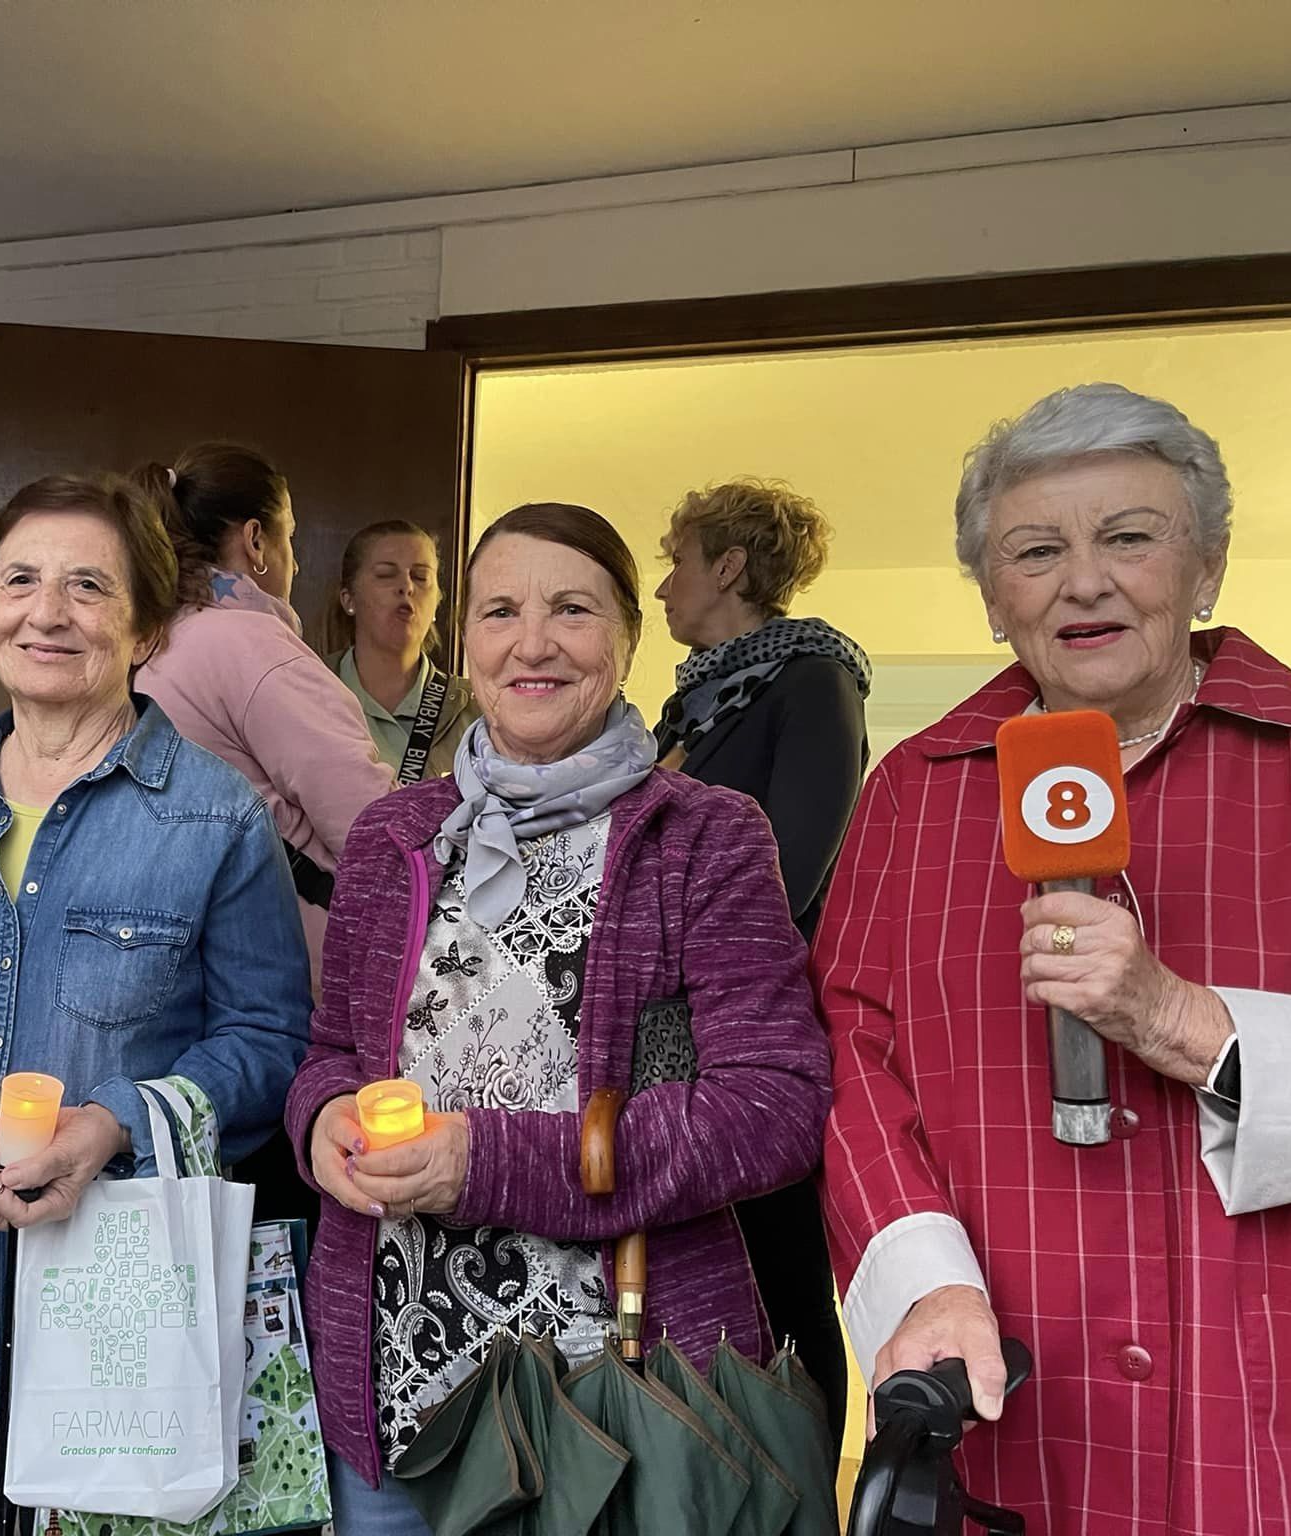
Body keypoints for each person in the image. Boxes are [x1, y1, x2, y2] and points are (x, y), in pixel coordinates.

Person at [817, 383, 1291, 1536]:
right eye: (1035, 549)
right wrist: (923, 1281)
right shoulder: (909, 794)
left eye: (1128, 537)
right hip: (1012, 1378)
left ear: (1206, 568)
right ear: (990, 596)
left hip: (1284, 1391)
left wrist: (1180, 1019)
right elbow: (845, 1056)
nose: (1083, 580)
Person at [289, 502, 833, 1532]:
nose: (530, 642)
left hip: (617, 1400)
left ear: (627, 638)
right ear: (468, 643)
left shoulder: (703, 837)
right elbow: (329, 1056)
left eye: (571, 610)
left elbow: (775, 1107)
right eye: (498, 612)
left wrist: (487, 1162)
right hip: (393, 1396)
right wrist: (320, 1123)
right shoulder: (393, 836)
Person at [0, 472, 312, 1536]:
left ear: (144, 629)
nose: (46, 612)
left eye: (87, 586)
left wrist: (116, 1123)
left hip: (107, 1337)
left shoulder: (214, 818)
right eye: (20, 581)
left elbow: (274, 1043)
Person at [651, 477, 869, 1446]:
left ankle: (797, 1496)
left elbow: (784, 876)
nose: (662, 590)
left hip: (754, 1045)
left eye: (676, 564)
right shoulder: (682, 713)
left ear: (728, 568)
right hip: (664, 1043)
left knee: (780, 1287)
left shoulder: (810, 685)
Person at [132, 443, 395, 976]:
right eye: (290, 537)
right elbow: (370, 829)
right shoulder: (250, 646)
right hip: (294, 951)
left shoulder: (155, 643)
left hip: (194, 941)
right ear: (256, 541)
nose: (295, 560)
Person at [323, 520, 478, 783]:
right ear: (348, 599)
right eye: (385, 574)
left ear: (437, 602)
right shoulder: (310, 691)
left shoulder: (474, 709)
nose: (406, 587)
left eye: (420, 577)